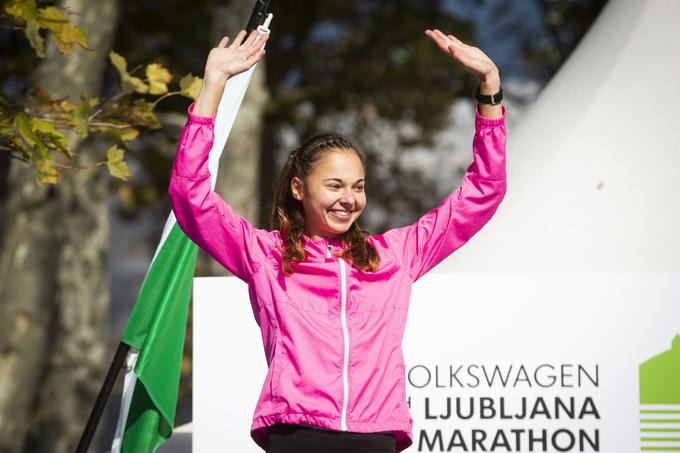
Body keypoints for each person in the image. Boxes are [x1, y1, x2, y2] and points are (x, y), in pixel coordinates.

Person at [169, 28, 506, 453]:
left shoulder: (395, 255)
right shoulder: (265, 255)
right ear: (298, 189)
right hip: (297, 433)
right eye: (334, 185)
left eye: (358, 186)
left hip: (375, 435)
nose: (349, 199)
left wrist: (489, 88)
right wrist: (213, 86)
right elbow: (190, 195)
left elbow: (483, 193)